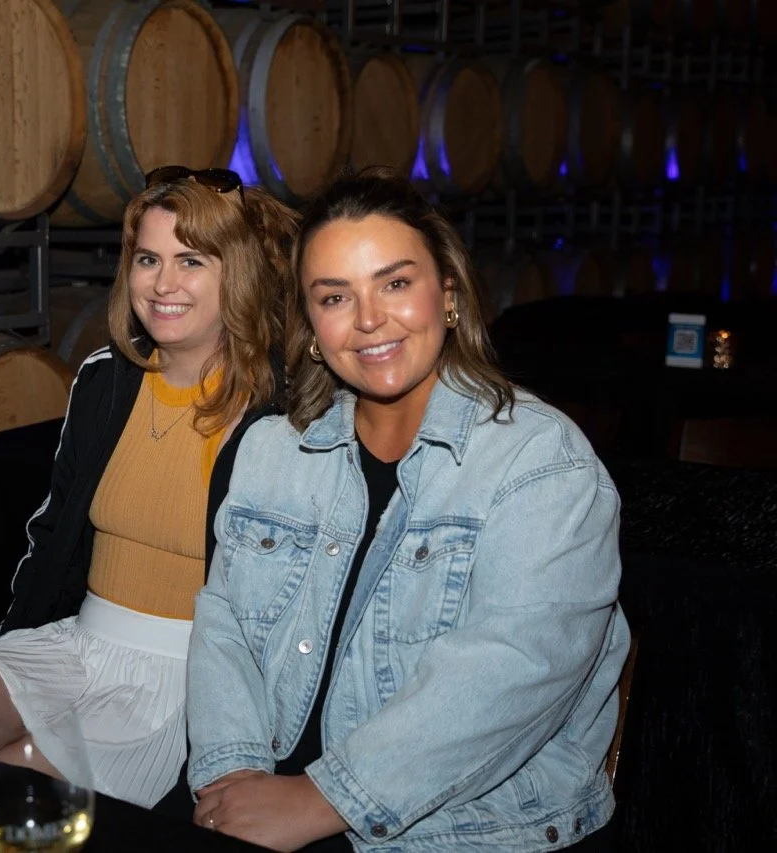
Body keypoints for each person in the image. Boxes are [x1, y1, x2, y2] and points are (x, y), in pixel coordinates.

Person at [186, 168, 630, 852]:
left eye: (395, 283)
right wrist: (232, 776)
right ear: (310, 327)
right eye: (336, 296)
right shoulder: (273, 447)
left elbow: (512, 670)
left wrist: (320, 799)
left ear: (447, 295)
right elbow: (223, 627)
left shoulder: (543, 463)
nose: (368, 319)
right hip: (268, 792)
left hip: (465, 827)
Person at [0, 167, 299, 808]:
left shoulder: (279, 408)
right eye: (148, 259)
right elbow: (50, 532)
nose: (163, 284)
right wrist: (10, 644)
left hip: (185, 675)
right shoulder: (107, 378)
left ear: (237, 271)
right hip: (80, 640)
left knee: (8, 783)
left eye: (191, 261)